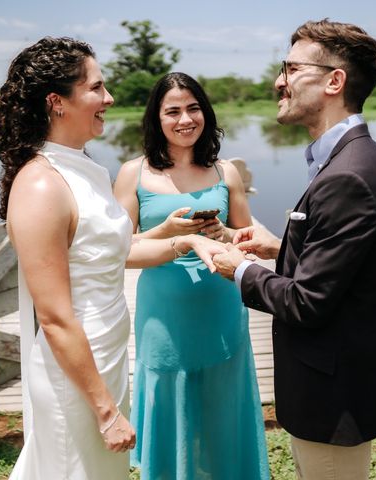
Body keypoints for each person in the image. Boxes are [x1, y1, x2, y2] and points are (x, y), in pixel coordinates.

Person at [0, 38, 225, 480]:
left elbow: (115, 252)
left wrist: (186, 241)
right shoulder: (41, 184)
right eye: (96, 88)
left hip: (107, 357)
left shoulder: (86, 169)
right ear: (58, 102)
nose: (109, 98)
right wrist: (104, 410)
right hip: (76, 375)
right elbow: (56, 316)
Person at [213, 19, 376, 479]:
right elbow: (346, 265)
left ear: (333, 81)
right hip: (334, 387)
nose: (278, 81)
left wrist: (239, 268)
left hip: (335, 397)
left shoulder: (348, 175)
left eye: (290, 68)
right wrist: (280, 249)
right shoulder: (347, 160)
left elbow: (307, 303)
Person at [114, 72, 270, 480]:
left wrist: (227, 235)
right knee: (170, 397)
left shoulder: (225, 172)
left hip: (221, 306)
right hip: (163, 314)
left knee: (222, 404)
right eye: (173, 111)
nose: (185, 119)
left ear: (206, 112)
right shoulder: (133, 173)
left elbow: (246, 241)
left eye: (193, 108)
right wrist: (170, 233)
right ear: (156, 118)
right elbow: (120, 250)